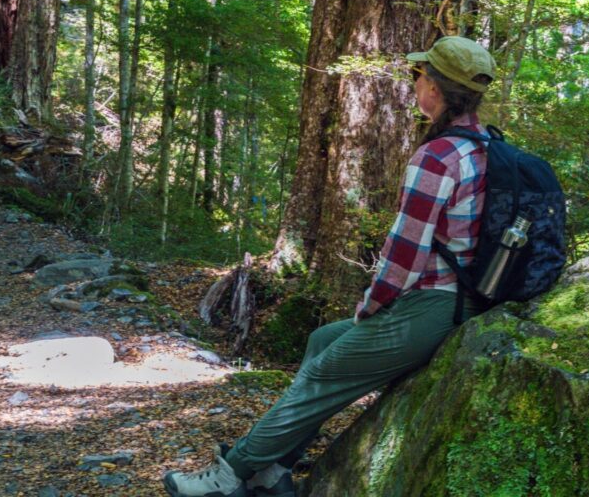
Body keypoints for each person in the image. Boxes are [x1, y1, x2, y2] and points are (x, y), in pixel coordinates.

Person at [162, 35, 498, 497]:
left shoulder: (437, 156)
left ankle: (227, 477)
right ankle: (275, 469)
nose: (415, 84)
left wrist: (371, 305)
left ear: (435, 89)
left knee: (323, 375)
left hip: (432, 308)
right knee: (323, 340)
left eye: (418, 76)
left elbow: (405, 253)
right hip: (465, 299)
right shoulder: (487, 147)